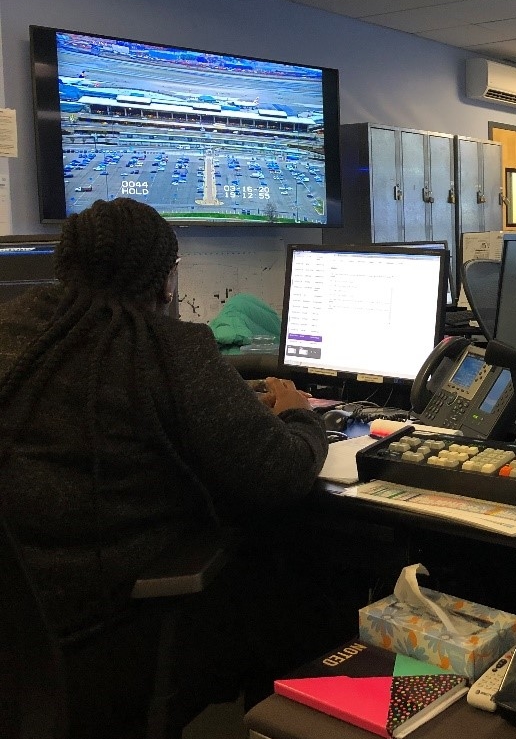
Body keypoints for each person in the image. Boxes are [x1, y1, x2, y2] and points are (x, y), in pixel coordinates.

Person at [0, 198, 330, 733]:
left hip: (25, 633)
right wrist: (298, 415)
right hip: (122, 626)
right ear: (165, 281)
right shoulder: (165, 350)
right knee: (298, 562)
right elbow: (282, 473)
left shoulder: (15, 332)